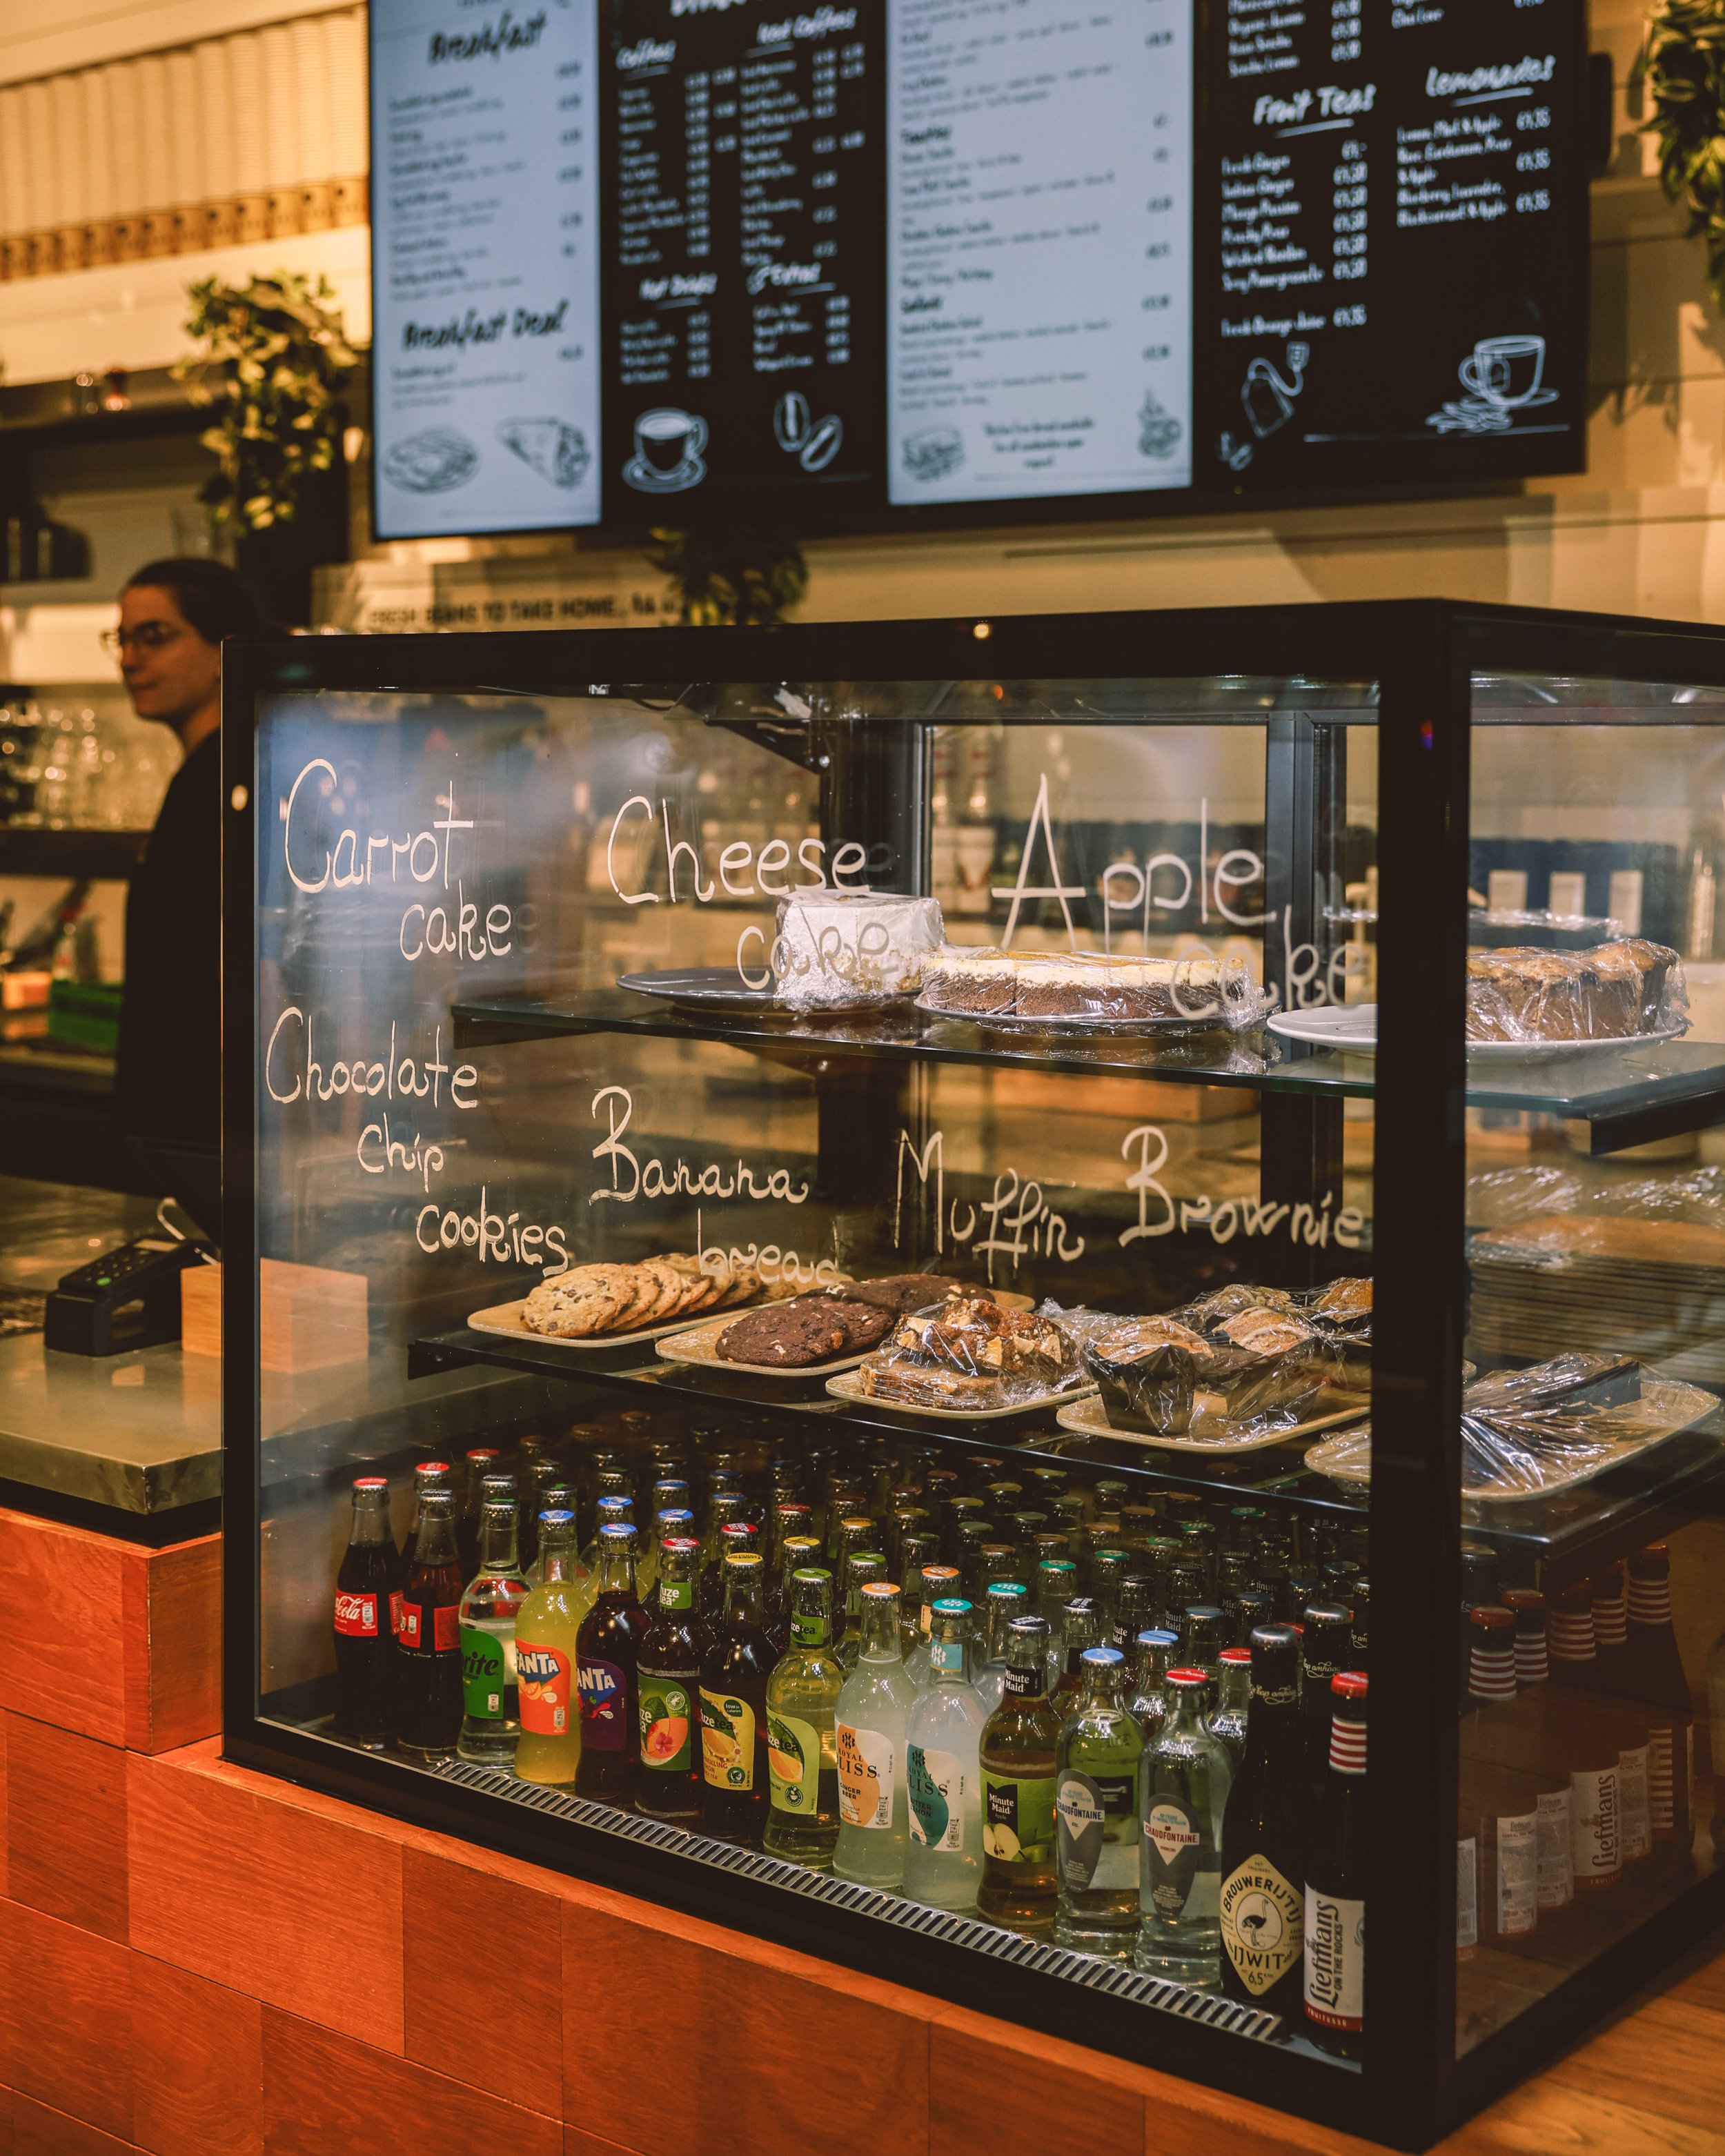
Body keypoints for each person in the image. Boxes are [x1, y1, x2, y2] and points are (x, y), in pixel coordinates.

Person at [108, 558, 266, 1180]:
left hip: (196, 1137)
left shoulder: (224, 777)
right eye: (121, 639)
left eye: (154, 636)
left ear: (224, 648)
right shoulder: (212, 769)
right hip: (181, 1130)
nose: (128, 659)